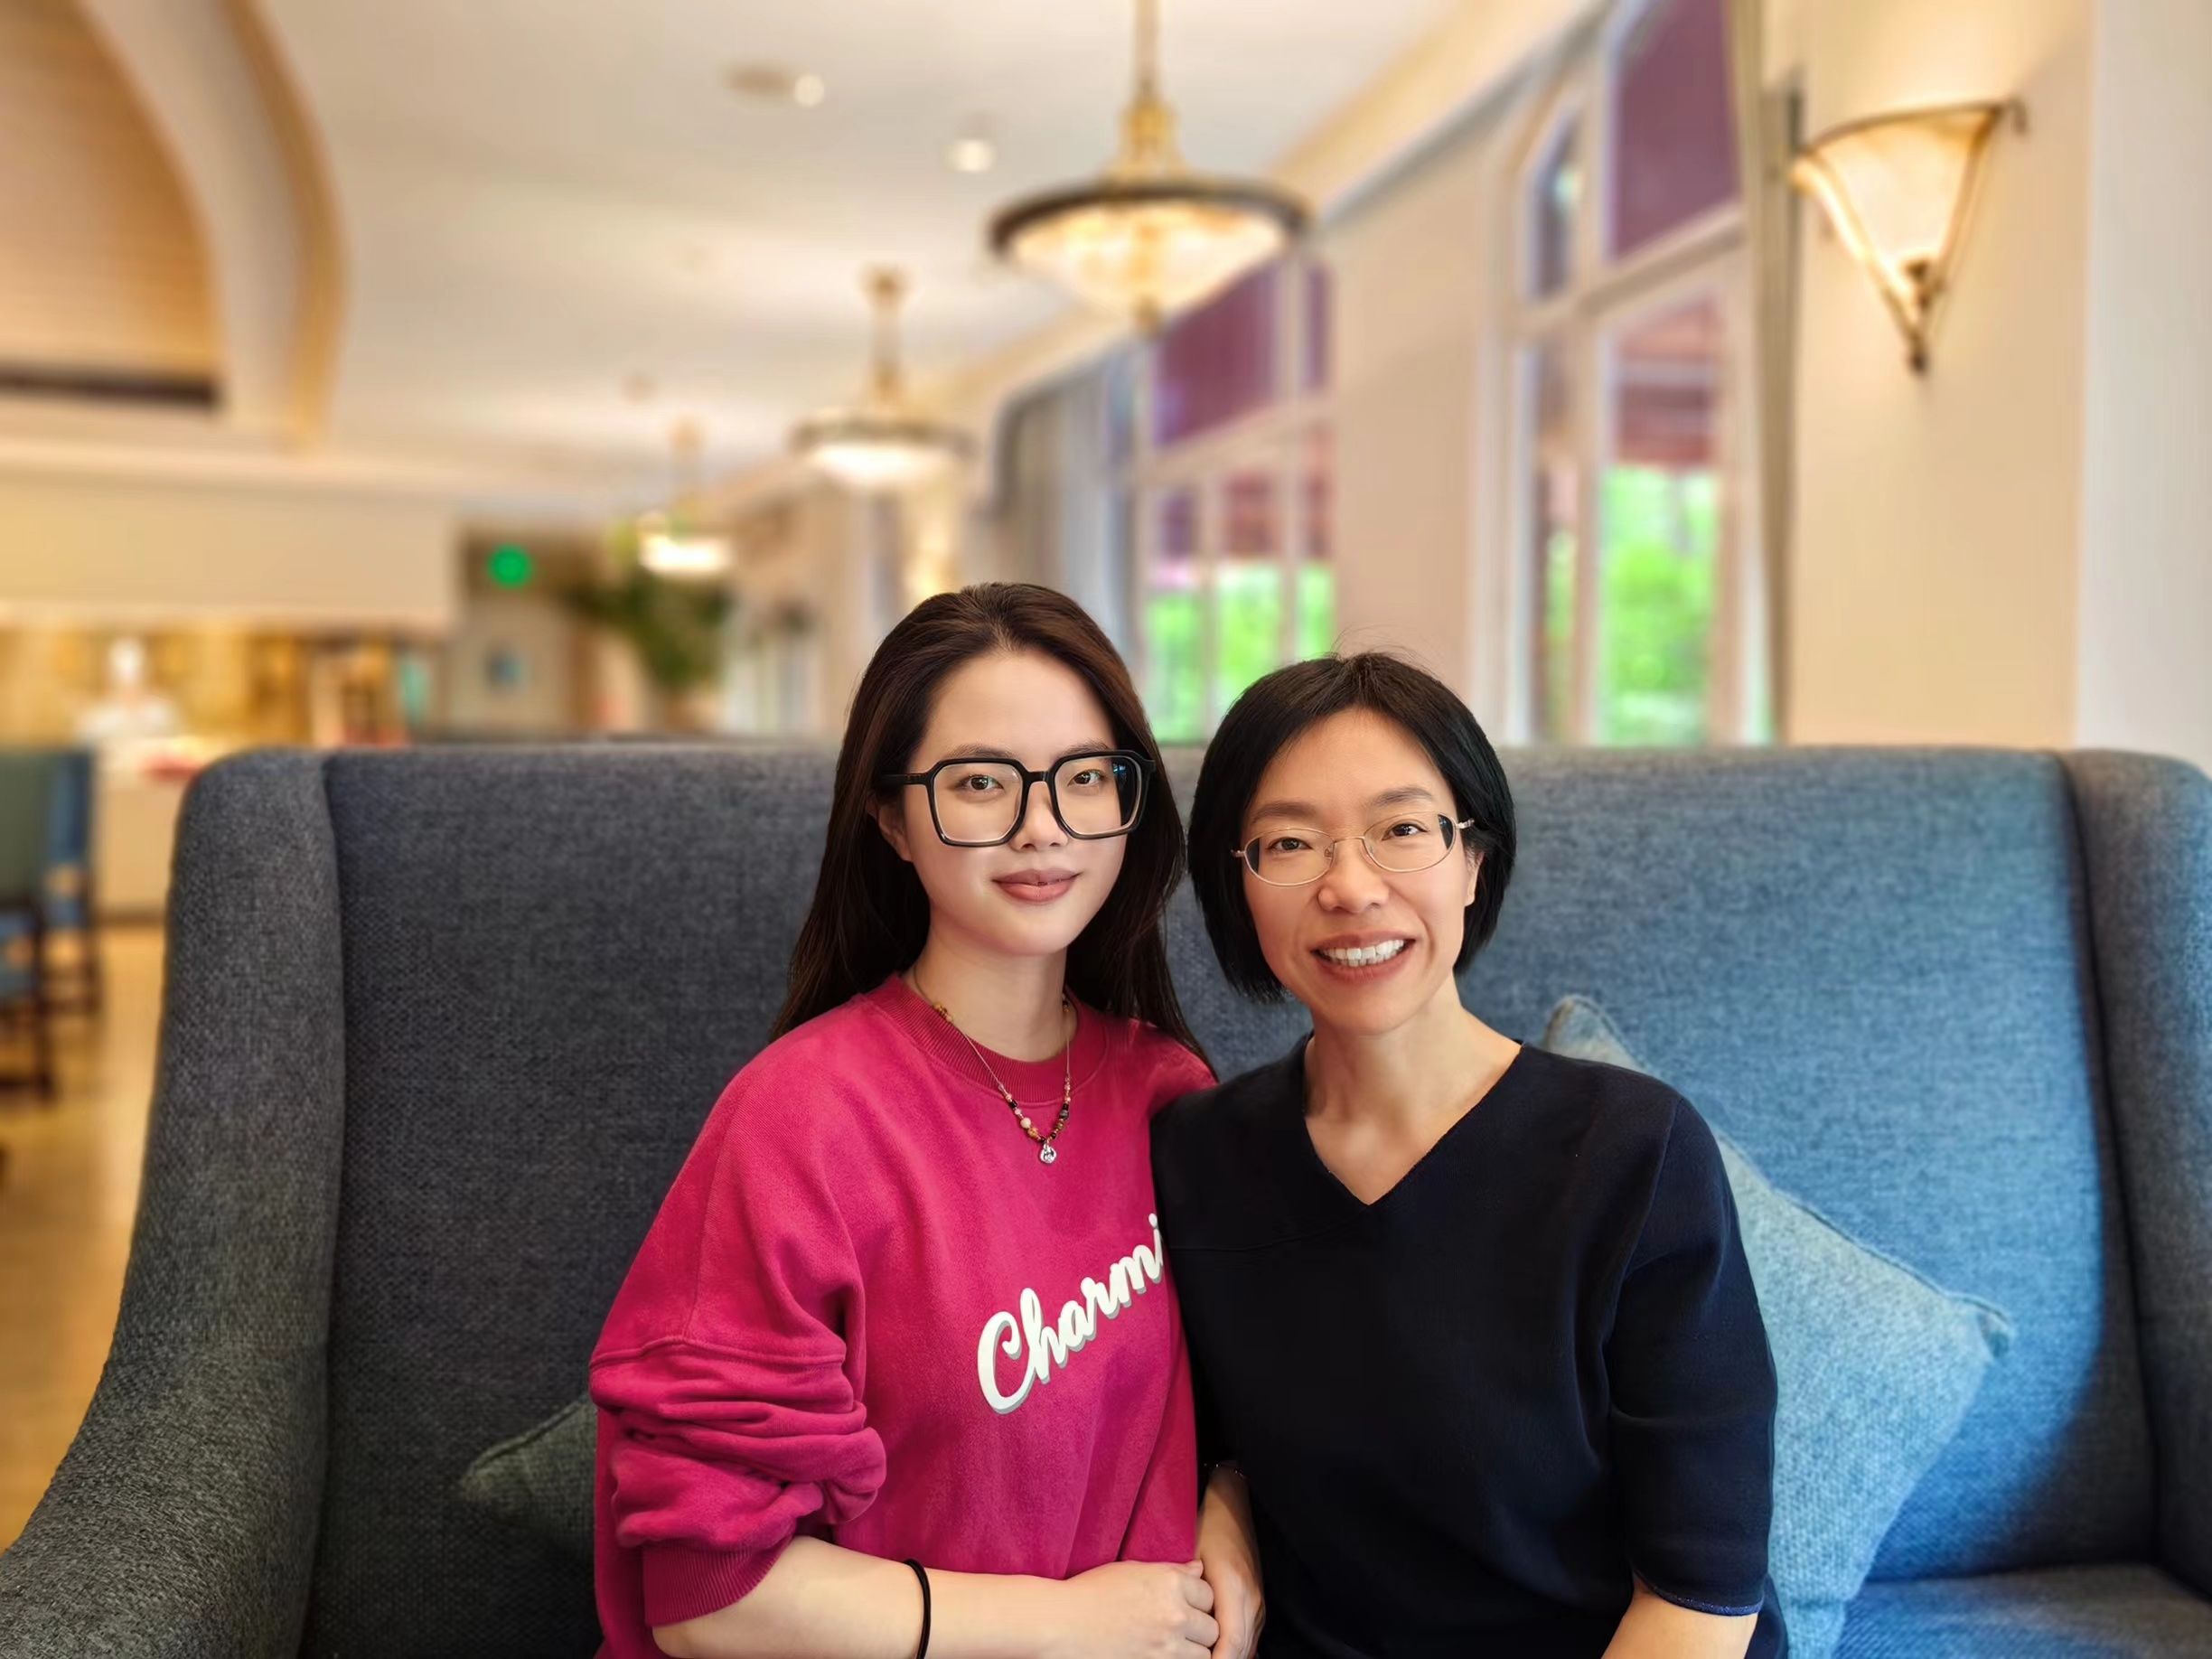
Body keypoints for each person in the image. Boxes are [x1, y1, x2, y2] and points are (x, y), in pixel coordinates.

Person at [591, 584, 1238, 1659]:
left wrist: (1234, 1525)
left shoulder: (1170, 1093)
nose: (1042, 826)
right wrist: (1063, 1627)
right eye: (981, 782)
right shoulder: (801, 1118)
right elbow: (707, 1596)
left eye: (1085, 777)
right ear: (892, 817)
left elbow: (1253, 1405)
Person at [1153, 651, 1785, 1658]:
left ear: (1473, 860)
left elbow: (1701, 1596)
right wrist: (1225, 1510)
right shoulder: (1196, 1160)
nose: (1351, 887)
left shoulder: (1632, 1153)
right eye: (1291, 843)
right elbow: (1207, 1434)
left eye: (1403, 830)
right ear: (1240, 886)